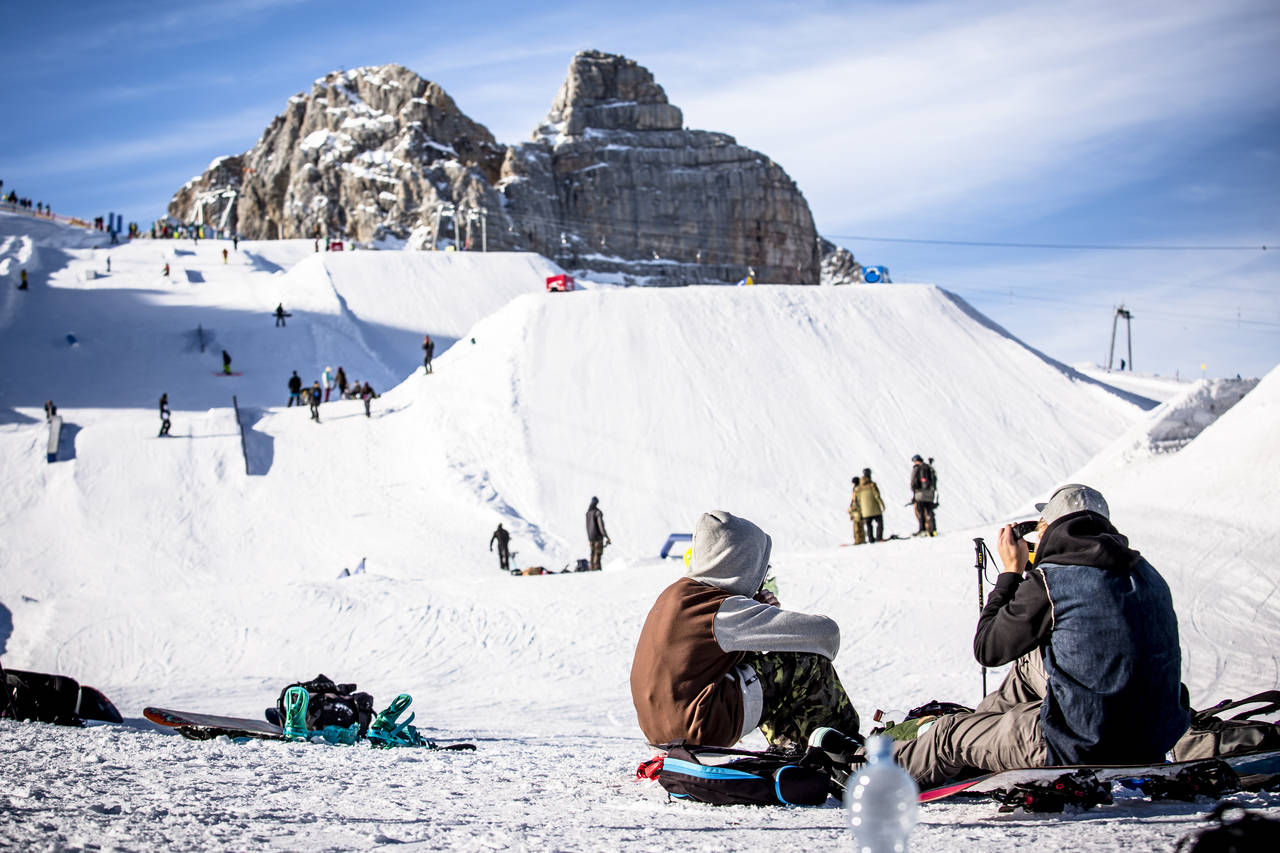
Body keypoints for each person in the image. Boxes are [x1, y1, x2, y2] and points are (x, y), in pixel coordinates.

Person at [893, 484, 1189, 788]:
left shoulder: (1051, 579)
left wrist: (1011, 573)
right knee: (1028, 664)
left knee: (948, 735)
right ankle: (982, 740)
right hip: (1152, 742)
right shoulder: (1149, 575)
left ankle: (875, 777)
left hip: (1078, 745)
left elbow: (988, 649)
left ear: (1048, 527)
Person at [630, 510, 861, 750]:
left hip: (662, 729)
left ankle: (795, 749)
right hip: (700, 726)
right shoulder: (720, 607)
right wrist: (764, 618)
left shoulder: (677, 595)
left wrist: (756, 615)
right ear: (740, 561)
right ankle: (843, 751)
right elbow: (826, 635)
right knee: (802, 662)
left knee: (758, 669)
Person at [854, 468, 885, 543]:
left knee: (868, 525)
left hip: (865, 511)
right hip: (875, 509)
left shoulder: (858, 488)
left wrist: (859, 510)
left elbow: (857, 500)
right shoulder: (872, 485)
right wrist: (882, 505)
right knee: (879, 522)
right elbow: (877, 496)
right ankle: (879, 537)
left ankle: (871, 539)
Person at [910, 454, 937, 537]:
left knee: (921, 512)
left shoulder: (917, 468)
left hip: (920, 494)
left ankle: (923, 530)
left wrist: (914, 491)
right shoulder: (929, 467)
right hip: (930, 494)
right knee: (930, 512)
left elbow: (913, 481)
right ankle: (933, 531)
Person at [586, 497, 611, 571]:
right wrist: (605, 536)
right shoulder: (597, 512)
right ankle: (596, 571)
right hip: (597, 537)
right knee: (597, 554)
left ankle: (591, 569)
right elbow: (601, 526)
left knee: (592, 554)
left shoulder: (588, 513)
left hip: (590, 537)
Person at [848, 476, 865, 545]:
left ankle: (858, 540)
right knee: (859, 524)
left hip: (857, 509)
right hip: (857, 509)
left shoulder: (857, 489)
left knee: (857, 525)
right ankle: (861, 539)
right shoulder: (858, 489)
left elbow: (855, 500)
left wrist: (852, 508)